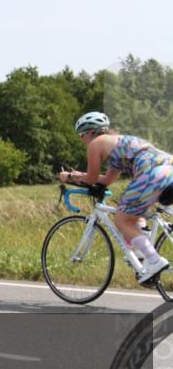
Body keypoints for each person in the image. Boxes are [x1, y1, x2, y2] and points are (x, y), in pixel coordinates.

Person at [58, 112, 173, 285]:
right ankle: (142, 252)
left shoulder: (95, 144)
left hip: (152, 174)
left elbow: (91, 178)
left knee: (122, 220)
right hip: (168, 169)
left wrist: (70, 176)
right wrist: (81, 176)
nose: (81, 140)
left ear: (89, 132)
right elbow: (106, 180)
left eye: (81, 135)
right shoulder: (118, 143)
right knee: (132, 212)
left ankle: (154, 260)